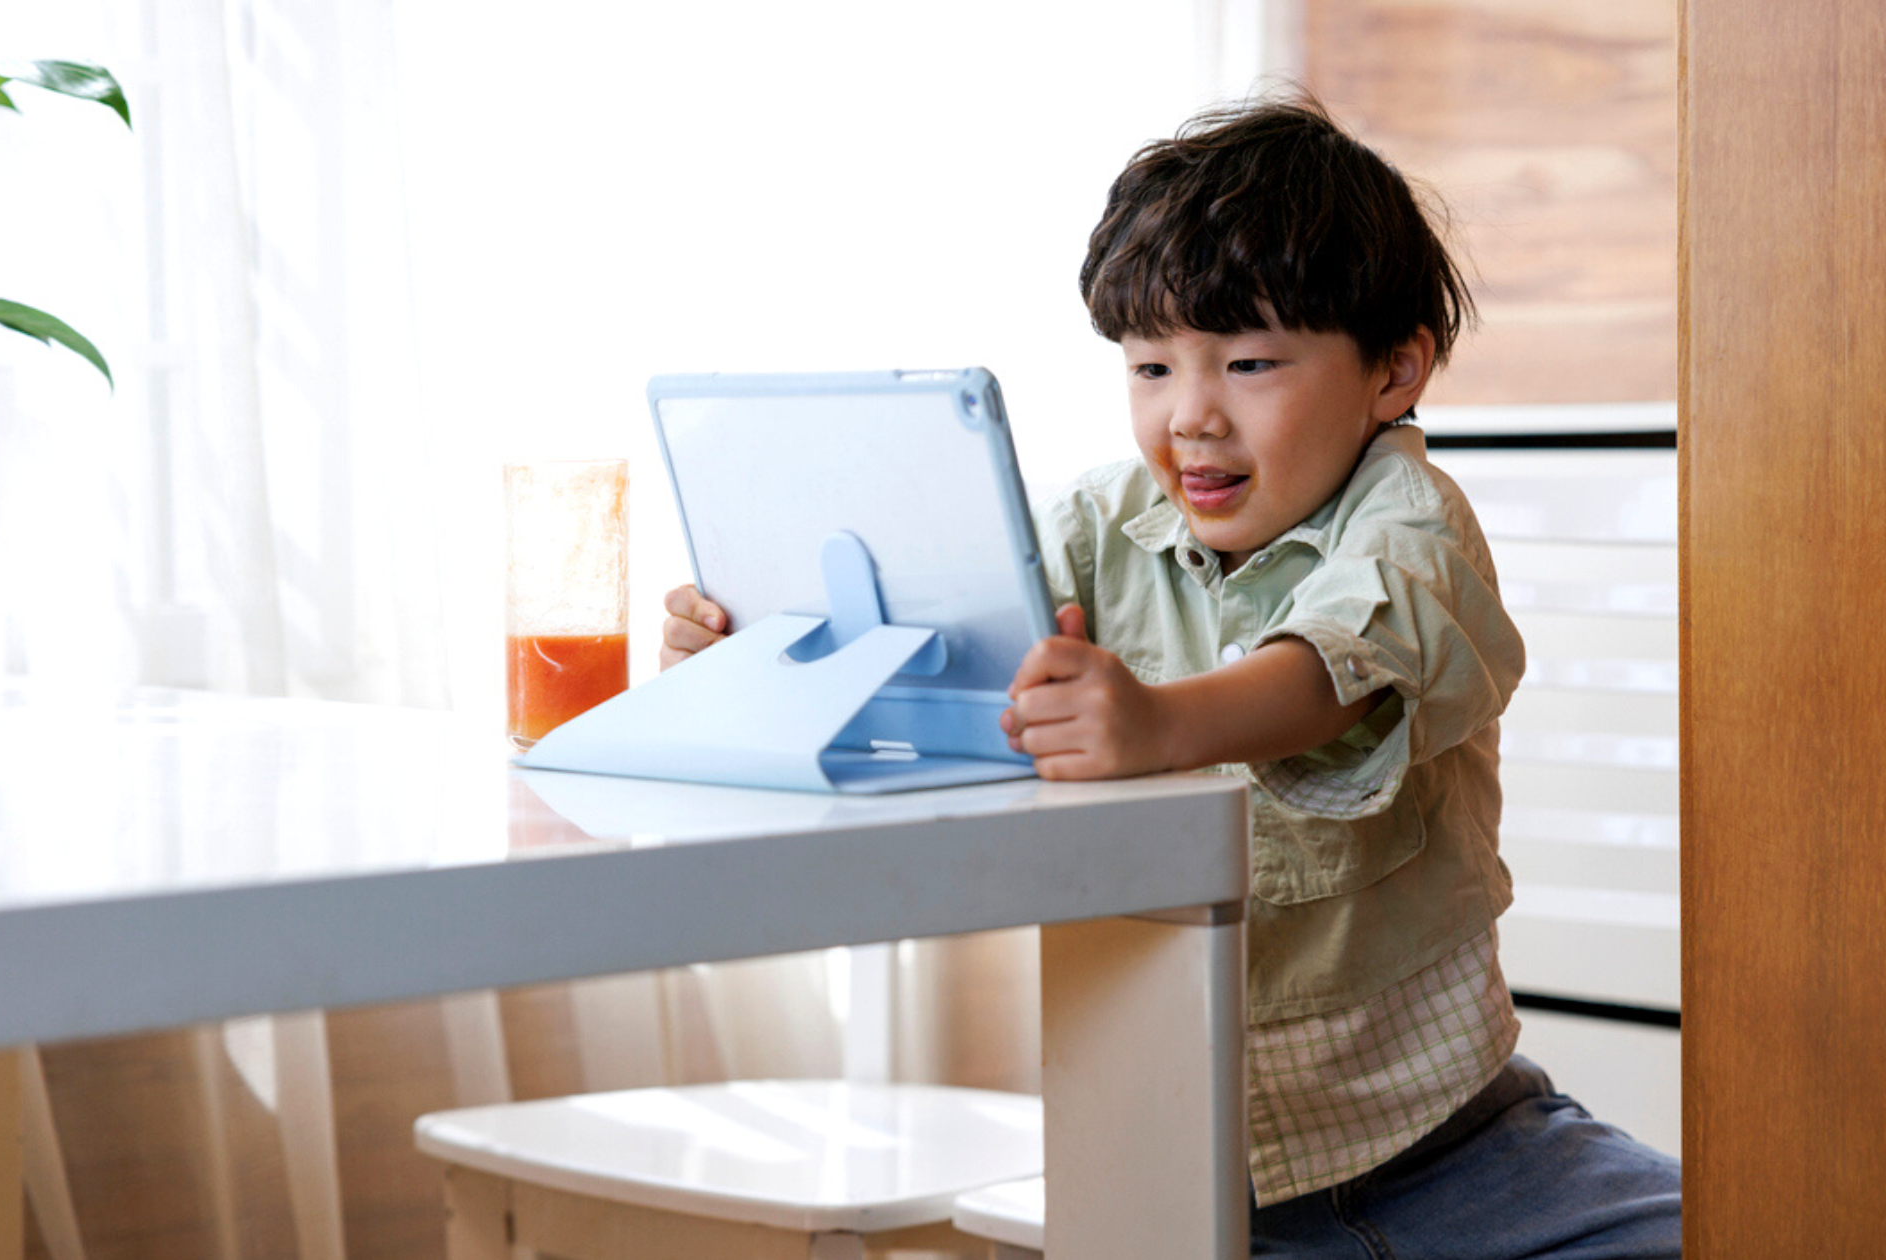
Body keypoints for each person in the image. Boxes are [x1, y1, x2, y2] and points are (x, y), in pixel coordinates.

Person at [662, 94, 1681, 1257]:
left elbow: (1324, 677)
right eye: (1150, 366)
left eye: (1248, 363)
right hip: (1180, 1182)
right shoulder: (1100, 524)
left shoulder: (1407, 522)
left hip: (1454, 1155)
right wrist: (755, 650)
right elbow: (945, 643)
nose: (1189, 417)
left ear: (1393, 373)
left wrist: (1155, 721)